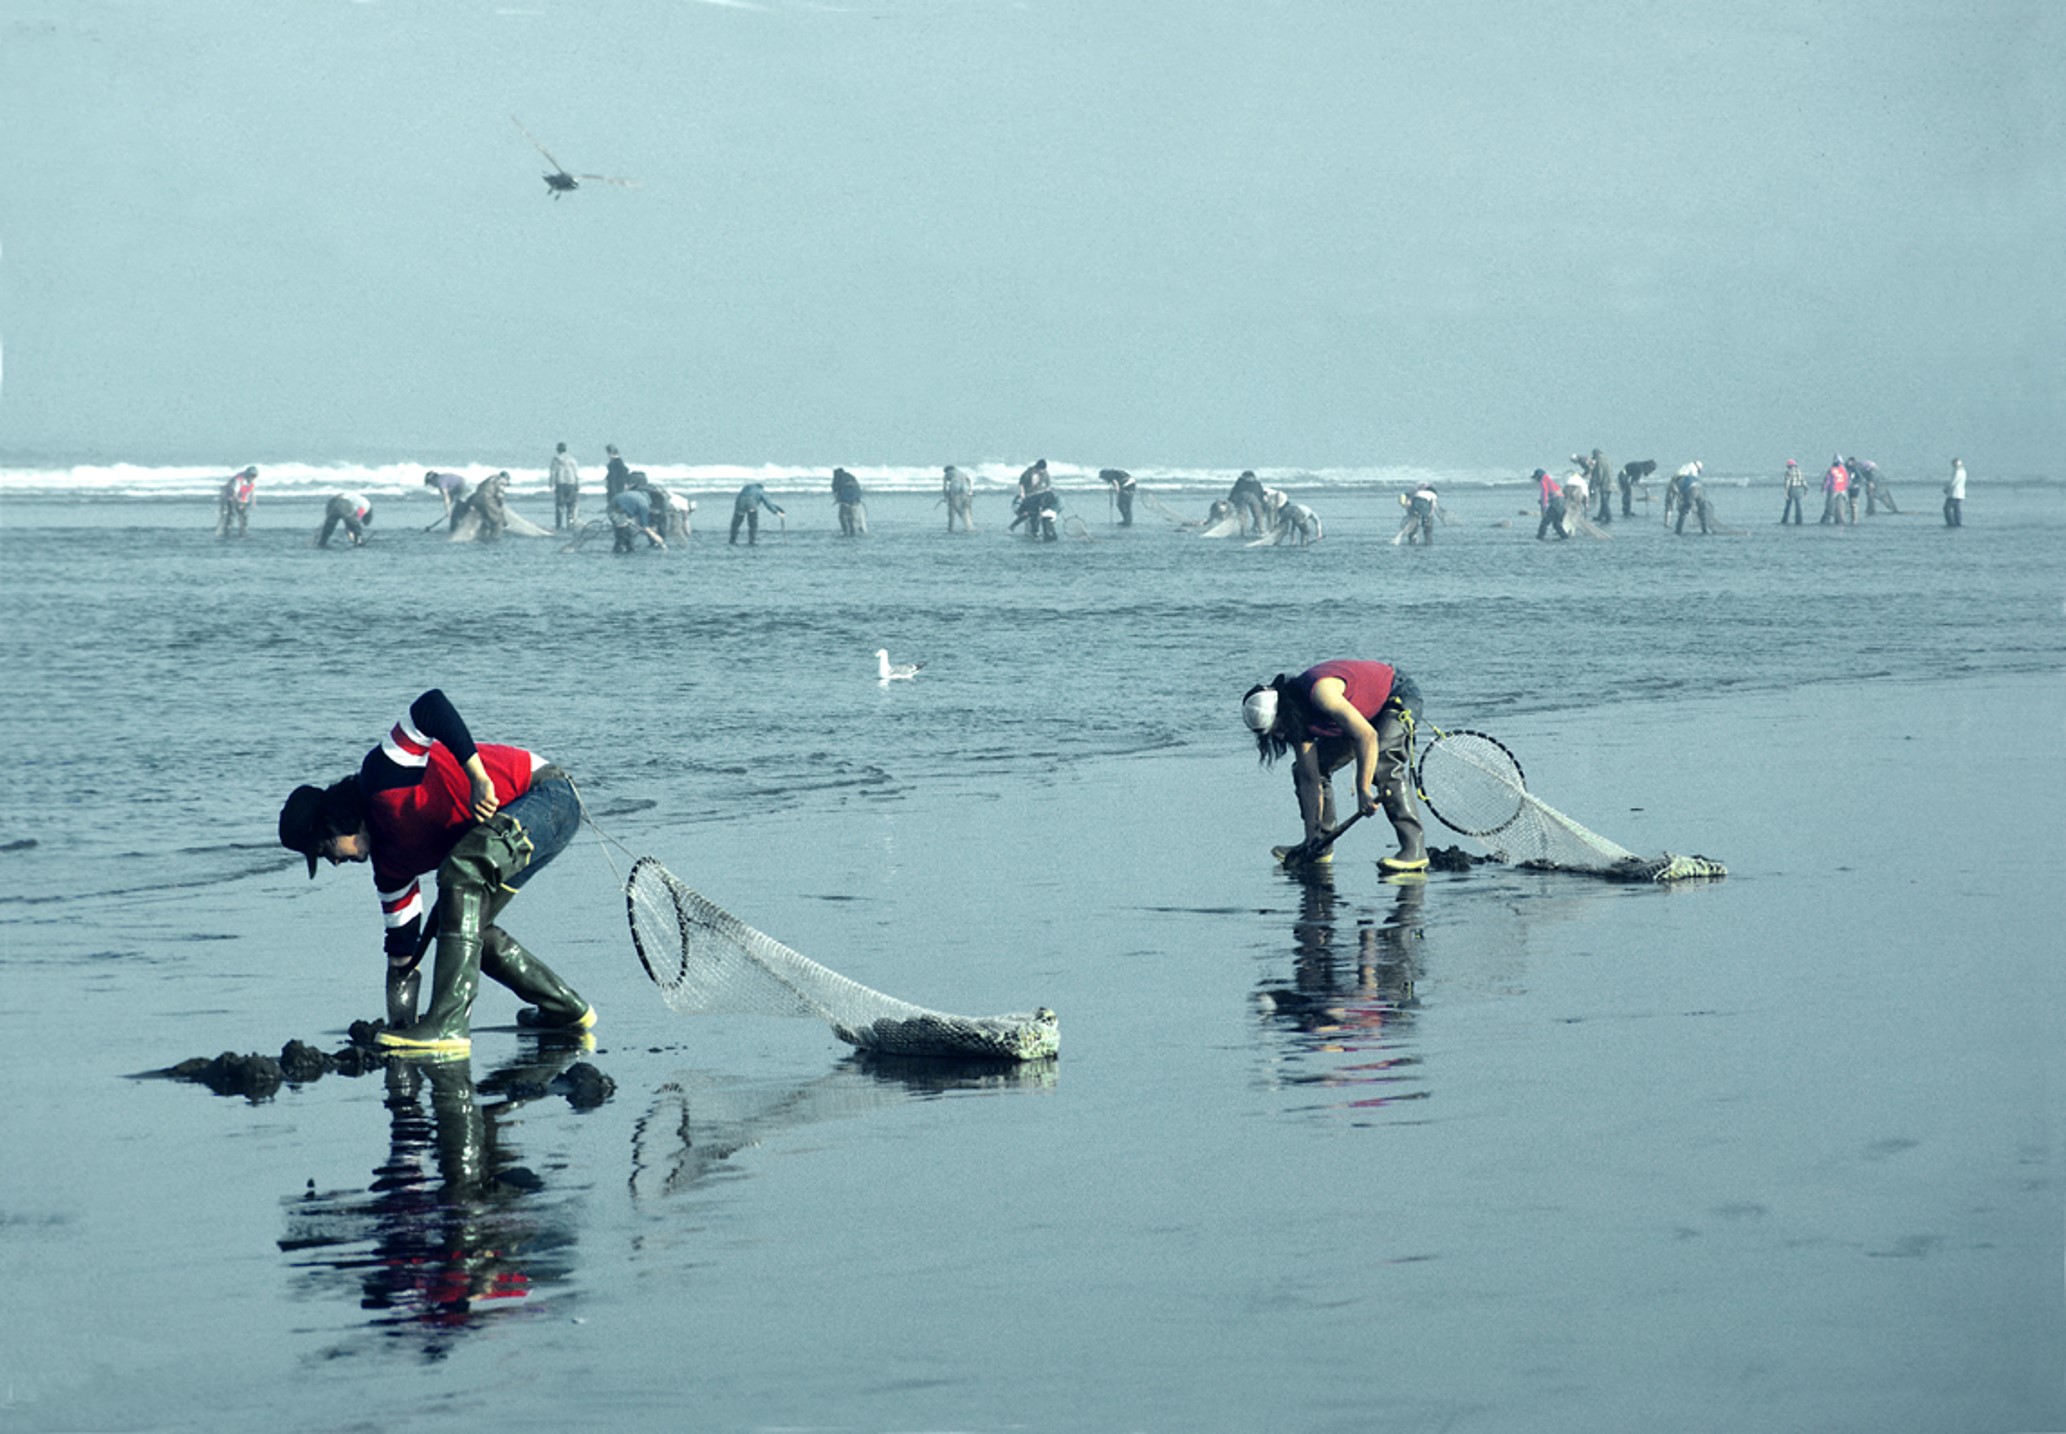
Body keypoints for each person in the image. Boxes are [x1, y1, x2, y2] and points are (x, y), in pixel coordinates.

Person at [276, 688, 593, 1055]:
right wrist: (400, 1028)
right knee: (460, 921)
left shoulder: (383, 774)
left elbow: (430, 706)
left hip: (548, 797)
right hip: (514, 833)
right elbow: (402, 957)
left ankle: (448, 1026)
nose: (333, 862)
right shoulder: (390, 870)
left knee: (459, 874)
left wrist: (477, 777)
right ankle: (565, 1009)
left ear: (334, 824)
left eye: (324, 850)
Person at [1241, 661, 1428, 873]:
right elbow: (1310, 778)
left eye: (1280, 728)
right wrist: (1312, 837)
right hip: (1359, 717)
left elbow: (1367, 736)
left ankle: (1414, 848)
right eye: (1274, 734)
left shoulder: (1320, 692)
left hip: (1395, 696)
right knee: (1308, 768)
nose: (1281, 736)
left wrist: (1363, 790)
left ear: (1283, 712)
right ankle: (1320, 845)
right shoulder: (1295, 720)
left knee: (1382, 762)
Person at [608, 477, 666, 552]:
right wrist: (659, 540)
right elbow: (645, 527)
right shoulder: (644, 506)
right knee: (622, 534)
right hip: (616, 509)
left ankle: (625, 548)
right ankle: (619, 550)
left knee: (627, 530)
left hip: (617, 502)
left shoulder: (644, 495)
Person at [214, 466, 258, 538]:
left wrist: (253, 501)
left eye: (254, 476)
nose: (252, 478)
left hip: (241, 499)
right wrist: (238, 503)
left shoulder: (252, 481)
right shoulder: (238, 480)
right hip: (230, 497)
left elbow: (251, 491)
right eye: (251, 475)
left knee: (244, 516)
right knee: (231, 515)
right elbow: (234, 493)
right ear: (247, 474)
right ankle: (226, 532)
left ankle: (243, 532)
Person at [550, 443, 581, 529]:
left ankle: (559, 525)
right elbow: (576, 473)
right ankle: (570, 525)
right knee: (570, 506)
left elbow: (553, 473)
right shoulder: (572, 459)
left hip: (561, 484)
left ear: (558, 450)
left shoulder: (556, 460)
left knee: (560, 506)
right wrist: (578, 484)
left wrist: (551, 485)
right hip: (571, 484)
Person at [1228, 470, 1268, 535]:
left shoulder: (1240, 481)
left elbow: (1234, 491)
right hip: (1254, 497)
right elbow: (1260, 492)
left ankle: (1242, 531)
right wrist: (1261, 501)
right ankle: (1262, 530)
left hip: (1242, 495)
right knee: (1258, 515)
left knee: (1242, 514)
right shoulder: (1256, 482)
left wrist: (1230, 499)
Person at [831, 467, 867, 536]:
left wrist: (837, 500)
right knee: (851, 518)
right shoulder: (851, 476)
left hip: (846, 499)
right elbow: (858, 488)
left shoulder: (837, 478)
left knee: (842, 517)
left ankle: (845, 532)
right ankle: (853, 532)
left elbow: (835, 491)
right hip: (857, 498)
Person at [1534, 469, 1567, 540]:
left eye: (1535, 477)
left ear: (1538, 476)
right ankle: (1565, 537)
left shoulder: (1543, 481)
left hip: (1556, 504)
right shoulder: (1549, 480)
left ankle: (1540, 537)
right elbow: (1555, 493)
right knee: (1556, 524)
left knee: (1545, 521)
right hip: (1562, 504)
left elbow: (1544, 493)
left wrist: (1543, 505)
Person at [942, 465, 975, 532]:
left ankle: (950, 528)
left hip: (955, 484)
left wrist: (945, 496)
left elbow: (944, 486)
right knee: (965, 506)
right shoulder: (962, 472)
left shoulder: (947, 474)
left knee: (952, 506)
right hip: (965, 486)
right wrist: (970, 491)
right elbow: (969, 480)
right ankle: (968, 525)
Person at [1820, 456, 1849, 526]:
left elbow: (1827, 481)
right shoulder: (1844, 470)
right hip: (1843, 490)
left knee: (1829, 506)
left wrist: (1824, 489)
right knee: (1842, 507)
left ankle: (1825, 521)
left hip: (1834, 489)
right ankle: (1840, 520)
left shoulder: (1831, 470)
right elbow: (1847, 480)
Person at [1589, 449, 1613, 525]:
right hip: (1610, 482)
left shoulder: (1599, 461)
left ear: (1595, 454)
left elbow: (1600, 472)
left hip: (1604, 483)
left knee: (1604, 501)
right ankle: (1601, 516)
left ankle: (1609, 517)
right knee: (1605, 500)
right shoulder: (1607, 459)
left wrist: (1597, 483)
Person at [1779, 459, 1807, 524]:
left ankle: (1785, 520)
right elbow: (1804, 481)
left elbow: (1787, 483)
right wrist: (1806, 490)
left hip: (1792, 489)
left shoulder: (1788, 472)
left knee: (1788, 505)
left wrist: (1786, 492)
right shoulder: (1799, 471)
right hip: (1799, 488)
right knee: (1798, 505)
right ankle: (1799, 521)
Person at [1943, 457, 1966, 527]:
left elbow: (1953, 482)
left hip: (1954, 493)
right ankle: (1958, 523)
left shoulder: (1957, 472)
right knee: (1957, 509)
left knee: (1946, 508)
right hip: (1960, 494)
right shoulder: (1963, 471)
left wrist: (1946, 489)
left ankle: (1951, 523)